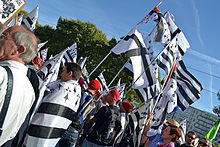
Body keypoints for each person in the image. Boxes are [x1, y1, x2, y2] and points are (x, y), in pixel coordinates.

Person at [24, 63, 82, 147]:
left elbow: (42, 105)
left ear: (70, 73)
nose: (61, 74)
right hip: (53, 137)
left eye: (63, 71)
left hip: (39, 133)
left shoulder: (62, 88)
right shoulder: (77, 91)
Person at [0, 25, 38, 145]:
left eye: (3, 36)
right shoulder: (30, 89)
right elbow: (13, 132)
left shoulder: (2, 74)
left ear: (18, 50)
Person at [58, 79, 101, 147]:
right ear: (96, 91)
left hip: (63, 123)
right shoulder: (93, 104)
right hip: (75, 129)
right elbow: (88, 119)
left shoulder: (78, 93)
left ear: (89, 85)